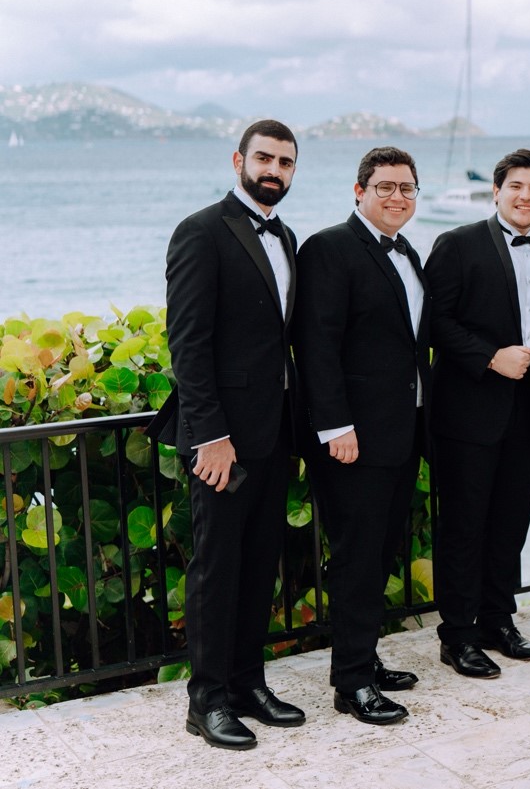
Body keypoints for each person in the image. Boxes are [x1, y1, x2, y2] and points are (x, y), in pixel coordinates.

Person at [156, 119, 306, 750]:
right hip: (222, 442)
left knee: (257, 565)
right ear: (238, 160)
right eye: (264, 158)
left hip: (274, 433)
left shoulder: (287, 235)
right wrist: (210, 436)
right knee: (216, 569)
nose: (274, 170)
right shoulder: (200, 231)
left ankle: (248, 683)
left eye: (286, 162)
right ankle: (207, 701)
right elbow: (188, 343)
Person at [293, 147, 429, 724]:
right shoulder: (329, 248)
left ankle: (364, 659)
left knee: (376, 557)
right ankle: (351, 685)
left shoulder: (409, 253)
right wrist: (335, 427)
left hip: (400, 434)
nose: (397, 197)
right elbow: (316, 344)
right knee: (355, 559)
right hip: (352, 439)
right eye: (385, 187)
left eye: (406, 188)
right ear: (358, 191)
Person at [425, 148, 530, 679]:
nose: (526, 196)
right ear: (497, 191)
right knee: (464, 525)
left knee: (511, 522)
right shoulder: (457, 244)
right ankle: (457, 635)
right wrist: (490, 356)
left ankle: (498, 621)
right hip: (469, 406)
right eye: (516, 186)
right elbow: (435, 322)